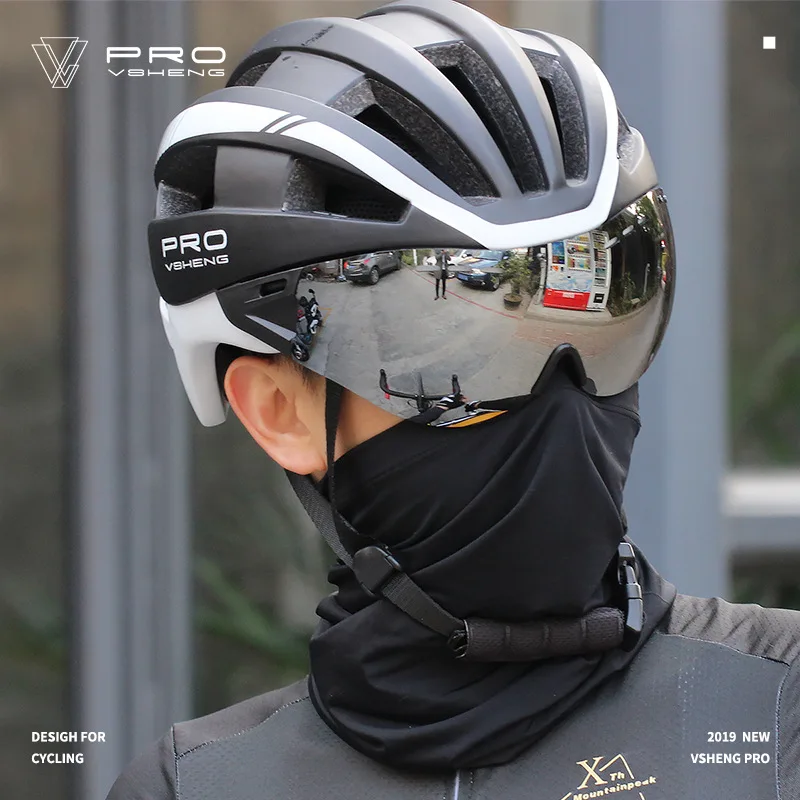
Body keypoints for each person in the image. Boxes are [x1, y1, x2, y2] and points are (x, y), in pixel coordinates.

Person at [111, 1, 800, 798]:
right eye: (458, 352)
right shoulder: (195, 787)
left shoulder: (777, 712)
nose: (562, 397)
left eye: (606, 320)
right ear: (280, 411)